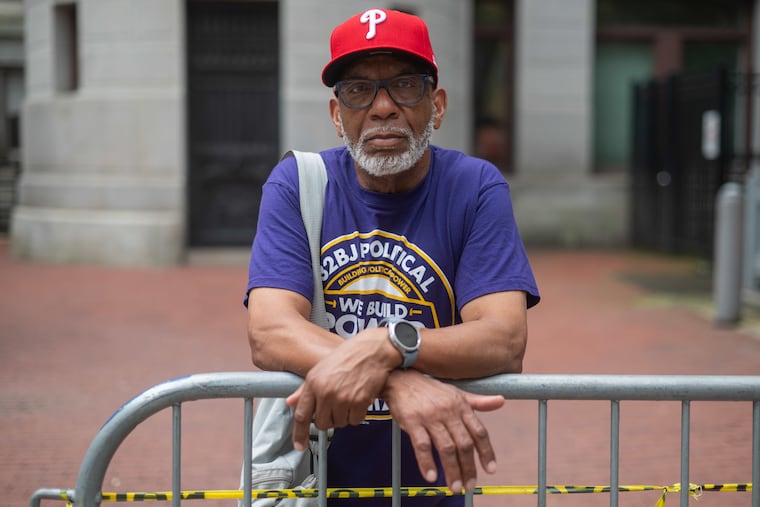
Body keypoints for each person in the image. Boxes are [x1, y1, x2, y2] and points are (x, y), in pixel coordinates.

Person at [244, 8, 540, 505]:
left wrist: (387, 346)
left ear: (437, 106)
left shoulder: (475, 187)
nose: (382, 108)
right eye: (358, 90)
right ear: (337, 115)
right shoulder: (298, 183)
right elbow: (269, 330)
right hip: (315, 486)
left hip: (431, 491)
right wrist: (399, 382)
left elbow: (504, 337)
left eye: (404, 86)